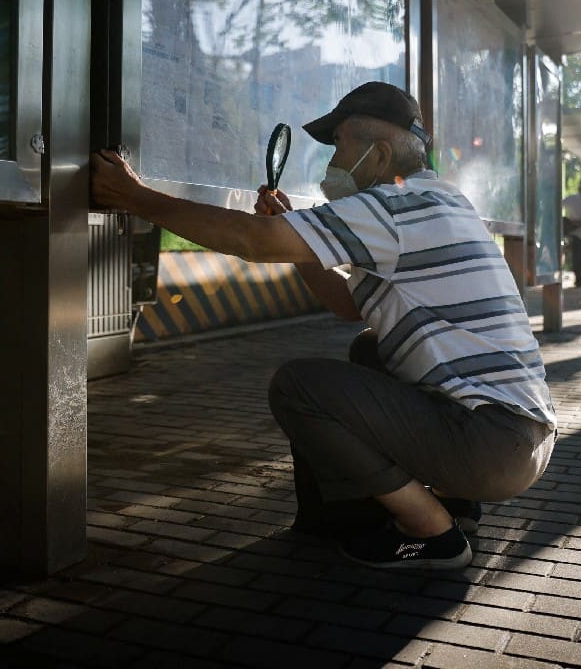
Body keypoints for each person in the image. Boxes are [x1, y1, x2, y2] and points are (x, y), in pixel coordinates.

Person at [90, 82, 556, 570]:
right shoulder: (440, 201)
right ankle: (455, 505)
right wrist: (294, 232)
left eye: (339, 145)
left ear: (378, 154)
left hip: (486, 442)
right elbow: (347, 305)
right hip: (519, 440)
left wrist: (136, 196)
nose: (333, 161)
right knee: (371, 349)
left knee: (298, 387)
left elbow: (255, 241)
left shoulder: (394, 205)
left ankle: (432, 535)